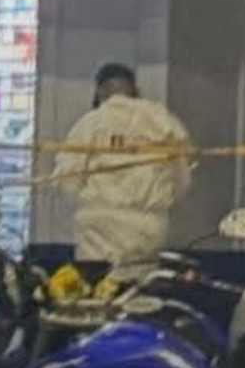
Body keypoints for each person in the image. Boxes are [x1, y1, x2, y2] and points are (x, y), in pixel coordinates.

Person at [52, 63, 195, 280]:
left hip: (99, 226)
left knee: (99, 289)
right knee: (140, 290)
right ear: (134, 89)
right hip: (148, 225)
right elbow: (181, 180)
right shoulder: (163, 122)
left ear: (100, 90)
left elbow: (67, 180)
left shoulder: (90, 123)